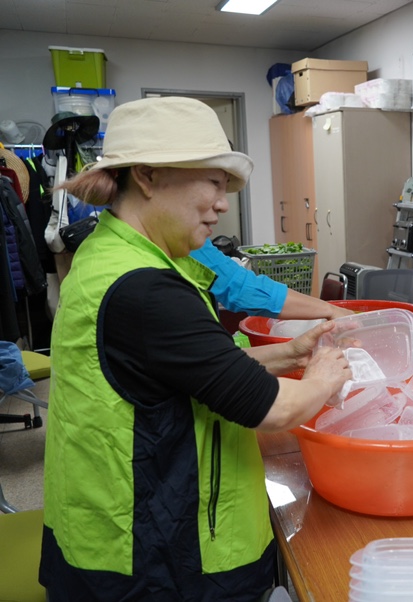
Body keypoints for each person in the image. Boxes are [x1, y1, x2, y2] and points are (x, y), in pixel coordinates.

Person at [39, 96, 352, 601]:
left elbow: (184, 372)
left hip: (107, 535)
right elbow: (275, 409)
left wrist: (292, 353)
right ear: (147, 176)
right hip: (152, 556)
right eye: (213, 182)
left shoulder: (109, 254)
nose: (224, 203)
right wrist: (324, 377)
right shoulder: (145, 289)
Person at [190, 237, 352, 320]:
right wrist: (330, 310)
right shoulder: (190, 245)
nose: (223, 205)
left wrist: (293, 352)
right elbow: (240, 287)